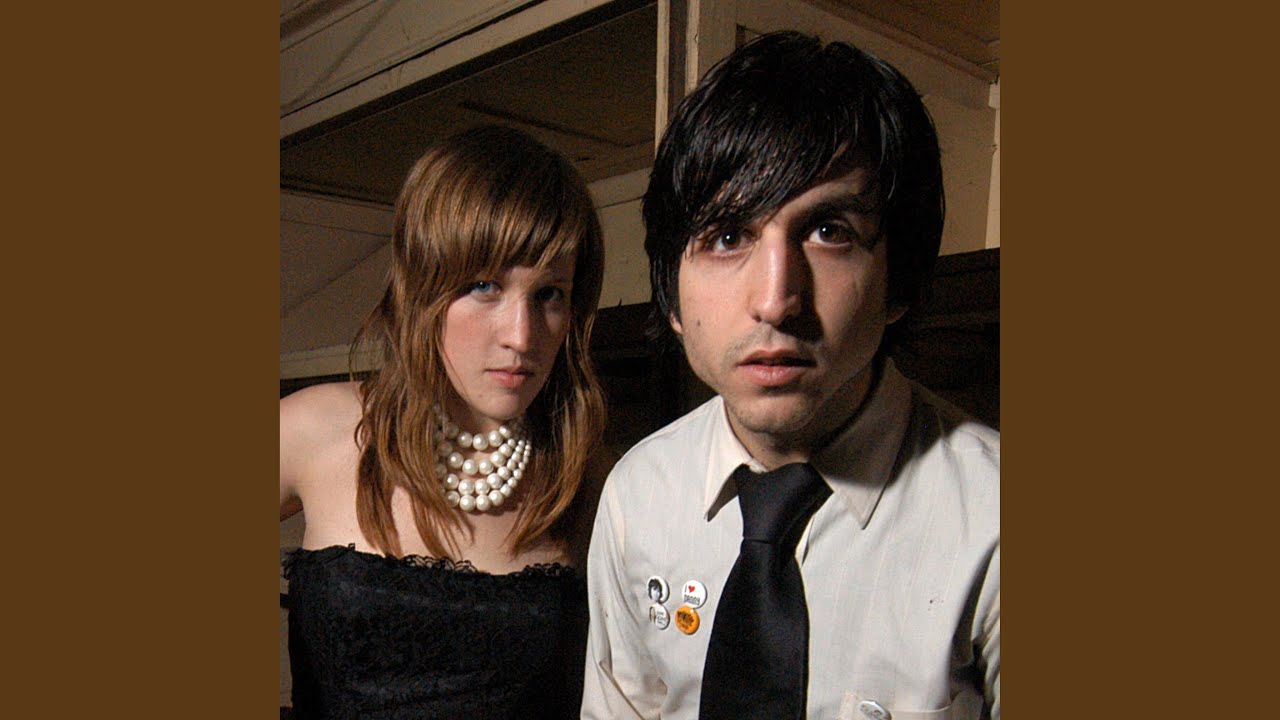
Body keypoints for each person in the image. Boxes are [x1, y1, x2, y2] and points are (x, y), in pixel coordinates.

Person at [581, 32, 999, 720]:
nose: (776, 300)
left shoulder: (992, 516)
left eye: (829, 231)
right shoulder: (638, 494)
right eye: (726, 237)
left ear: (898, 279)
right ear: (672, 297)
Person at [280, 124, 608, 719]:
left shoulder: (589, 479)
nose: (521, 336)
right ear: (422, 286)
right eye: (485, 286)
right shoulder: (316, 429)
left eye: (549, 294)